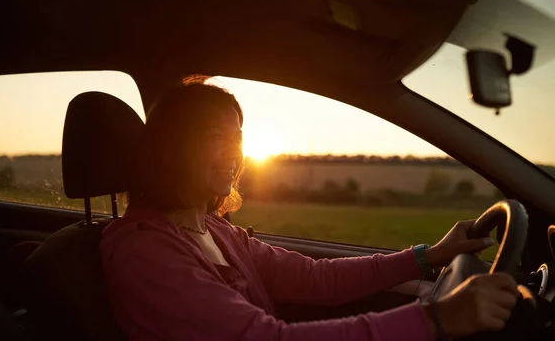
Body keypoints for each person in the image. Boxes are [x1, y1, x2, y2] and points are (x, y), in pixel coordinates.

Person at [100, 76, 519, 340]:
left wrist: (429, 256)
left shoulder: (215, 230)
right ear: (173, 147)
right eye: (215, 135)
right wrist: (436, 321)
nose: (235, 150)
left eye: (238, 136)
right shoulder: (145, 252)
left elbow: (316, 279)